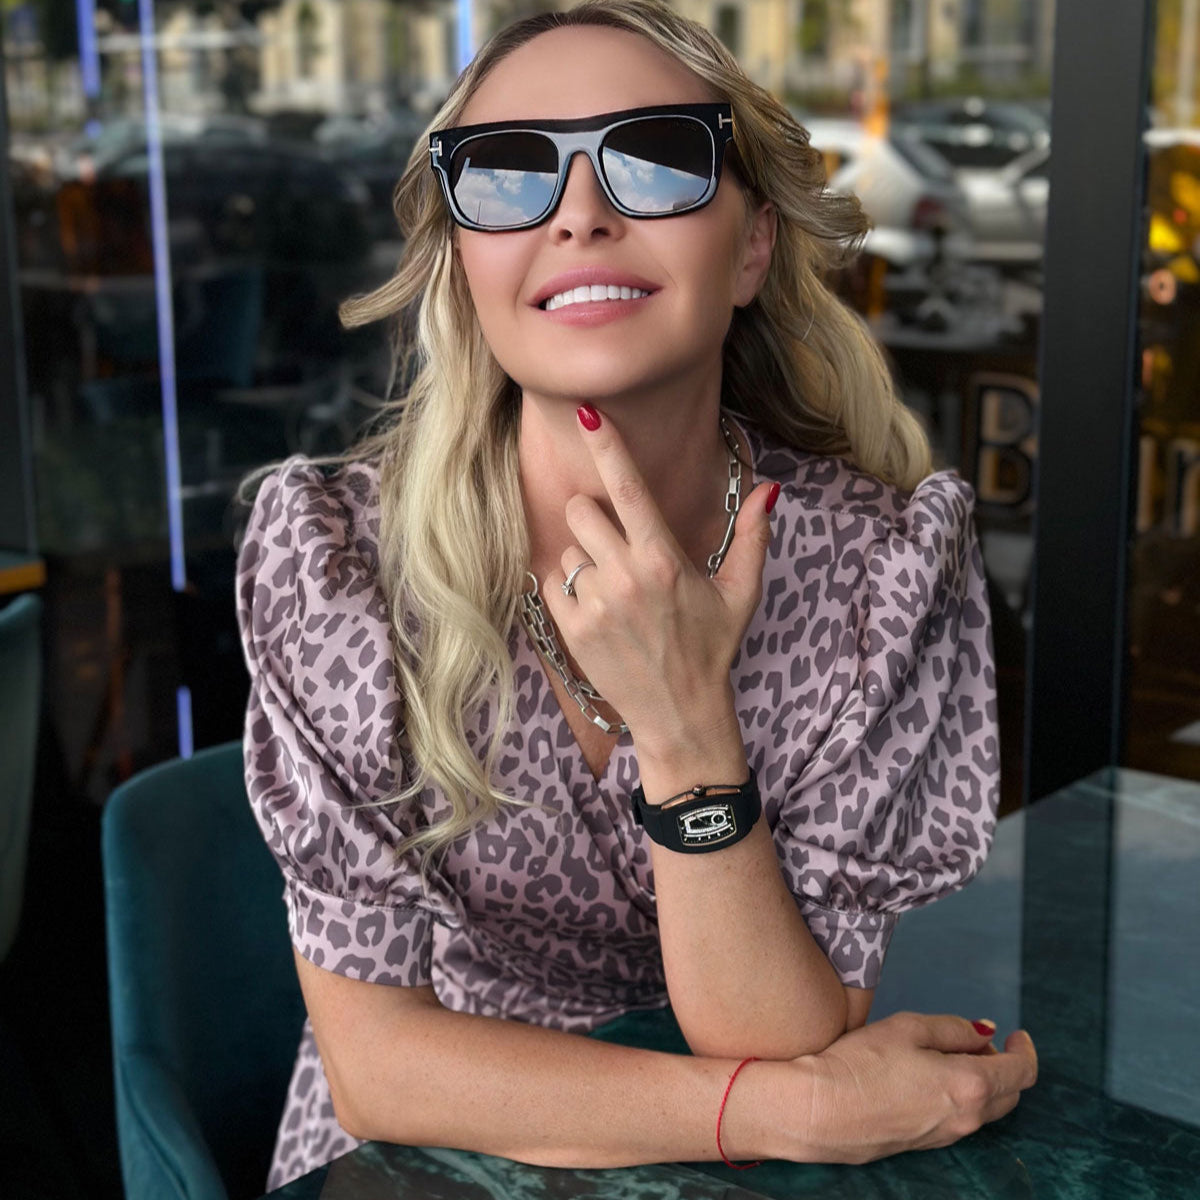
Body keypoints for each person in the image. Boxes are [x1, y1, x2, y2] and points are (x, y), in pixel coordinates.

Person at [235, 0, 1037, 1189]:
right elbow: (379, 1068)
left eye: (655, 158)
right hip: (425, 1163)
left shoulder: (882, 573)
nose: (579, 214)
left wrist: (684, 724)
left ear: (752, 248)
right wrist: (800, 1110)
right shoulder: (338, 562)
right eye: (509, 174)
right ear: (463, 259)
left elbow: (774, 1033)